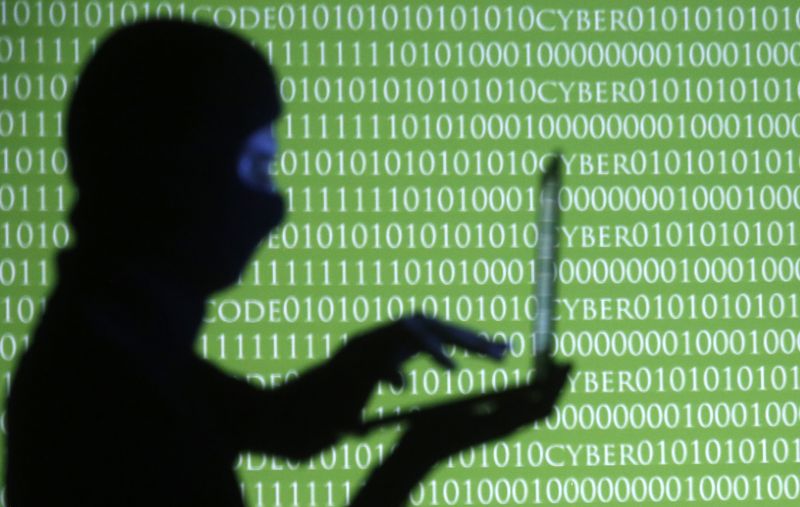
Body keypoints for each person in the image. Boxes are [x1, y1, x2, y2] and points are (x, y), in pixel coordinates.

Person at [4, 19, 570, 507]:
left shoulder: (112, 344)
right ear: (174, 171)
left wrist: (380, 354)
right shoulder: (113, 397)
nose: (272, 209)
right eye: (252, 167)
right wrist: (418, 454)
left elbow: (280, 426)